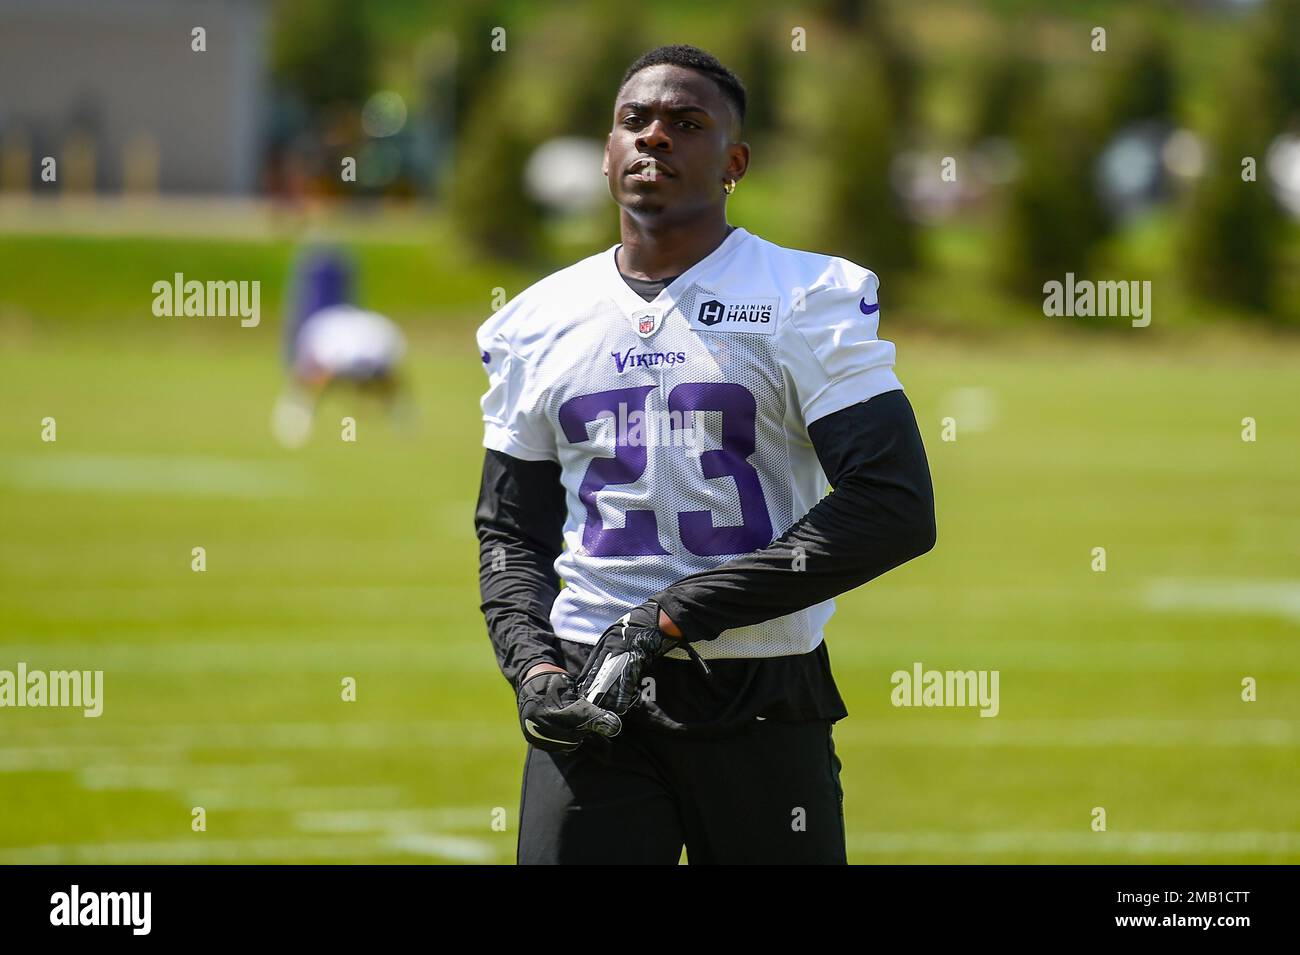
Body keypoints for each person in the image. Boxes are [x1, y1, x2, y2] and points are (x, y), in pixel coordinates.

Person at [474, 44, 936, 864]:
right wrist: (534, 667)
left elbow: (893, 505)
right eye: (633, 121)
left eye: (685, 124)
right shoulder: (537, 320)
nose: (654, 137)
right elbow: (512, 534)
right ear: (607, 151)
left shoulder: (803, 298)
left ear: (734, 163)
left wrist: (674, 614)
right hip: (591, 698)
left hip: (758, 692)